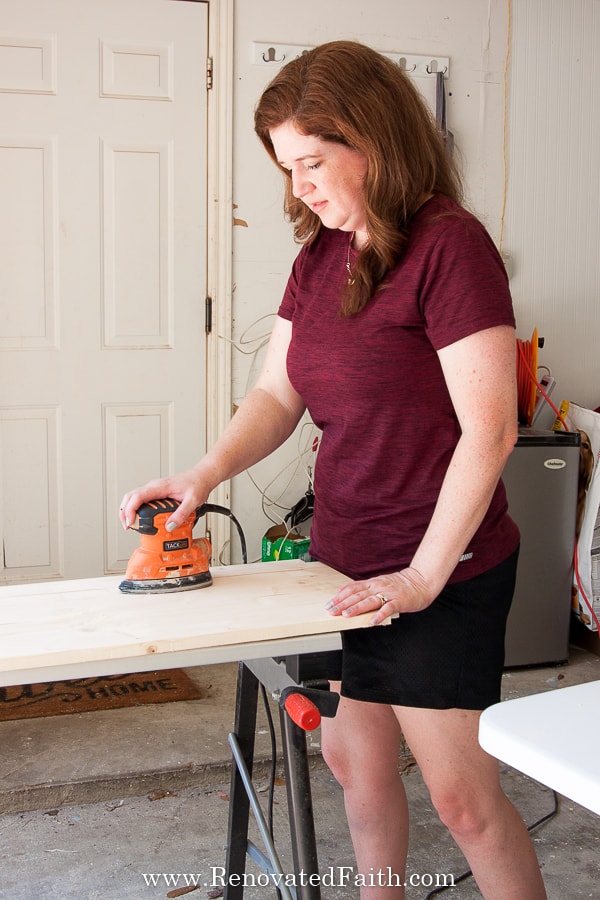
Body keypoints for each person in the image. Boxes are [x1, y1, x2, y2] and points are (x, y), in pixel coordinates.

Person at [120, 40, 546, 899]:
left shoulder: (449, 249)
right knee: (355, 762)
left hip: (441, 569)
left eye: (313, 162)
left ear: (377, 142)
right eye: (287, 168)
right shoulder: (320, 252)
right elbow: (277, 397)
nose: (299, 187)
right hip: (348, 566)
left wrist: (423, 576)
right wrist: (204, 474)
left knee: (463, 802)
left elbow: (489, 432)